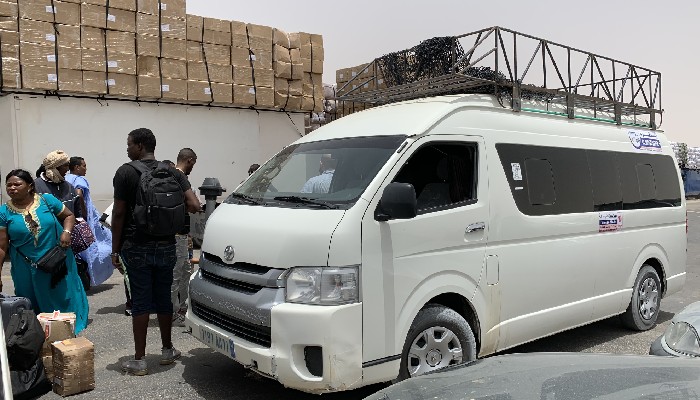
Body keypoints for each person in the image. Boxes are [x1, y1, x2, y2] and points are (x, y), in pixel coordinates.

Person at [111, 128, 200, 376]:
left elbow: (118, 214)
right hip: (167, 244)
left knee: (140, 302)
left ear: (139, 146)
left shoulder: (125, 172)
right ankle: (167, 350)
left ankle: (139, 360)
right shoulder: (172, 170)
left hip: (135, 244)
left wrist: (114, 250)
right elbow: (194, 205)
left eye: (129, 144)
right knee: (163, 297)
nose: (127, 148)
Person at [0, 169, 88, 333]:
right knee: (31, 303)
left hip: (57, 262)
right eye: (8, 185)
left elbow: (69, 216)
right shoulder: (4, 212)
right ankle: (39, 336)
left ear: (29, 186)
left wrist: (66, 232)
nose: (12, 188)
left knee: (63, 295)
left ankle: (66, 330)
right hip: (26, 267)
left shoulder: (47, 200)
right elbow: (1, 246)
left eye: (17, 184)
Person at [65, 156, 114, 288]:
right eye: (84, 166)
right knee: (100, 245)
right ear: (76, 167)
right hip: (83, 218)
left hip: (69, 218)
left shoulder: (66, 179)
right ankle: (89, 276)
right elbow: (79, 194)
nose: (86, 169)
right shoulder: (79, 179)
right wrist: (84, 214)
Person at [171, 148, 199, 327]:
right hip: (176, 235)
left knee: (185, 271)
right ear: (189, 160)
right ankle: (173, 314)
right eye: (193, 164)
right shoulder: (179, 177)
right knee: (176, 274)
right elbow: (193, 205)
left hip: (182, 234)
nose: (192, 168)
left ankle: (182, 308)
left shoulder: (172, 175)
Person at [34, 150, 83, 218]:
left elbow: (77, 213)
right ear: (55, 168)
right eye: (65, 166)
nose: (68, 169)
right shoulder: (35, 187)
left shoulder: (69, 187)